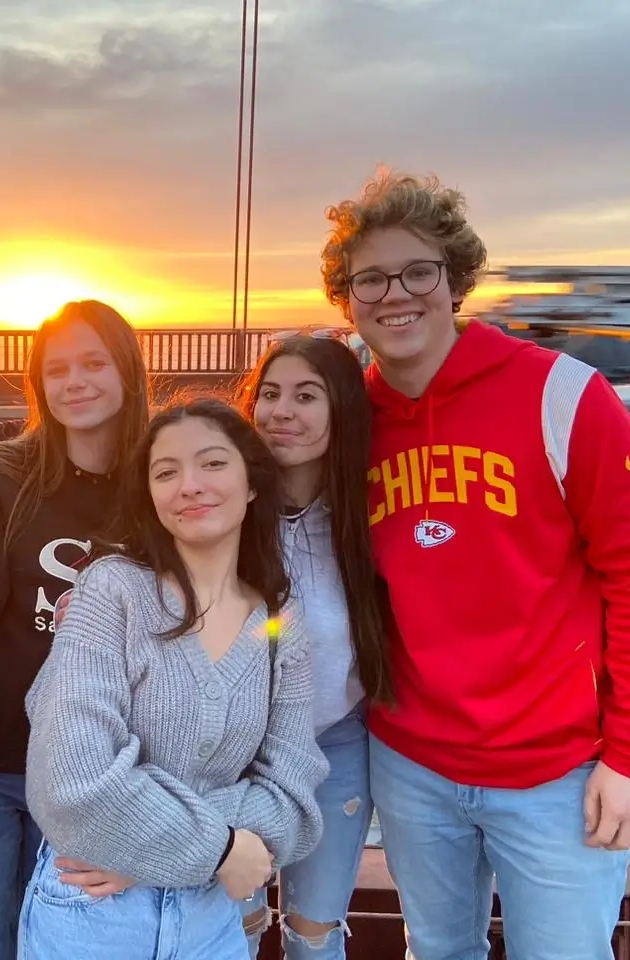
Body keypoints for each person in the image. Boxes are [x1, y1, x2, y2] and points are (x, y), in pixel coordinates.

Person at [320, 169, 630, 959]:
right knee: (438, 950)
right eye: (370, 279)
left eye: (419, 271)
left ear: (455, 281)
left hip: (556, 772)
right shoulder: (346, 419)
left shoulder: (564, 397)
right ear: (347, 299)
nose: (396, 295)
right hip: (411, 761)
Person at [19, 397, 329, 959]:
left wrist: (150, 844)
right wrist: (223, 848)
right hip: (93, 911)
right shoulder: (111, 592)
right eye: (166, 472)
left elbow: (295, 802)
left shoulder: (281, 622)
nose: (189, 485)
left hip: (211, 918)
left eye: (212, 463)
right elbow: (67, 779)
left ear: (253, 483)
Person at [0, 300, 152, 960]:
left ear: (128, 370)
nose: (75, 381)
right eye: (57, 369)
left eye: (94, 362)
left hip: (93, 781)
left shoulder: (160, 484)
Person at [235, 334, 392, 958]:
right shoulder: (227, 505)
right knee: (234, 923)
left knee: (315, 929)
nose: (282, 412)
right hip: (234, 750)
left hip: (336, 742)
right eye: (269, 394)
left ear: (341, 411)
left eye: (306, 396)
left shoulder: (369, 511)